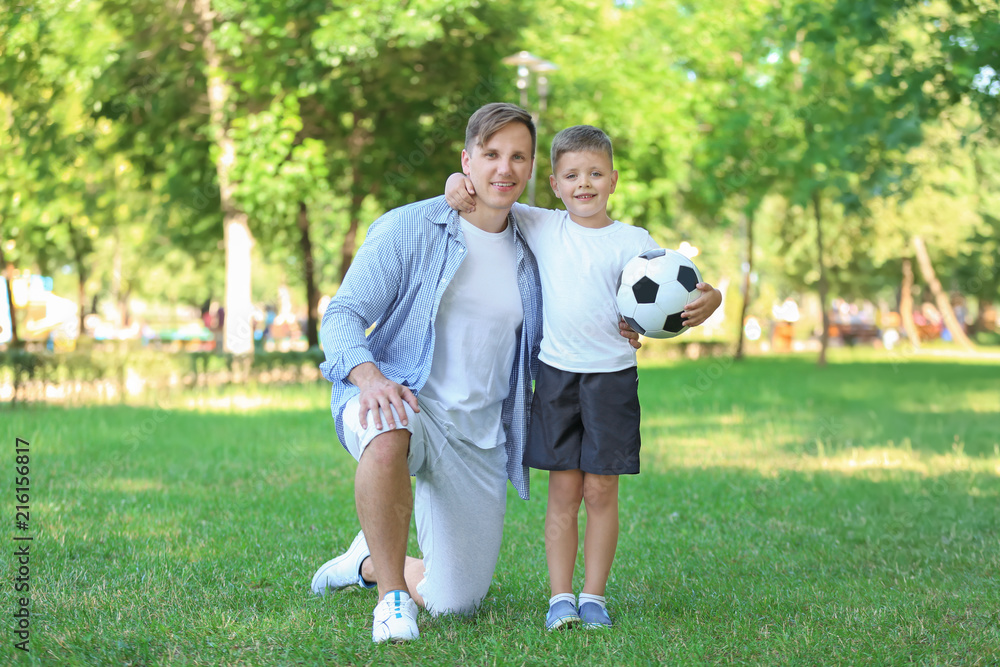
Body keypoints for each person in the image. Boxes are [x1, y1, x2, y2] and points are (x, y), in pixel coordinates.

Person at [310, 104, 641, 644]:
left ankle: (367, 559)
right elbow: (343, 314)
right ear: (467, 161)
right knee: (386, 425)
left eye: (517, 157)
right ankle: (391, 597)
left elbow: (592, 279)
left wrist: (627, 322)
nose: (503, 169)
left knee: (455, 601)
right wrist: (369, 377)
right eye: (490, 155)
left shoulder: (536, 244)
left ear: (534, 170)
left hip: (478, 437)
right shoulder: (409, 226)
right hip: (404, 399)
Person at [445, 125, 722, 630]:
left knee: (601, 492)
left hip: (611, 381)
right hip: (555, 381)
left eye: (595, 173)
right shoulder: (542, 225)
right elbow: (482, 191)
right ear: (554, 184)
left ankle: (593, 597)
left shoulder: (636, 242)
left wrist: (714, 298)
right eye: (572, 175)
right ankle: (560, 598)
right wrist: (452, 181)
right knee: (564, 493)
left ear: (613, 180)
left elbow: (679, 291)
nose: (584, 184)